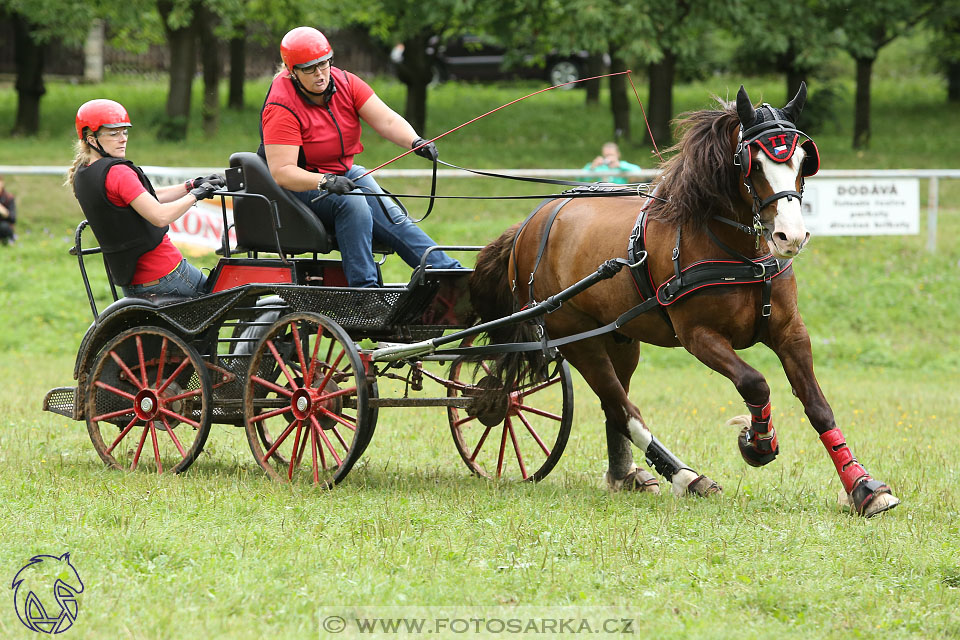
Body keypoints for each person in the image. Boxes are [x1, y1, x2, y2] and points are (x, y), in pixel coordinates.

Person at [260, 26, 462, 288]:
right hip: (299, 186)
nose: (320, 74)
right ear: (292, 71)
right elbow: (282, 171)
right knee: (352, 202)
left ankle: (450, 274)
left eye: (323, 64)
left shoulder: (346, 83)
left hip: (341, 173)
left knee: (392, 215)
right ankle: (364, 292)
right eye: (309, 68)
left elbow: (387, 120)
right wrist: (324, 182)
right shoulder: (281, 106)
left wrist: (415, 142)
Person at [67, 99, 224, 299]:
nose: (123, 138)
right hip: (167, 274)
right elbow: (160, 216)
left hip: (134, 283)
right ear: (91, 139)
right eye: (114, 133)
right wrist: (197, 195)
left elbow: (144, 198)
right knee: (226, 296)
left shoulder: (83, 174)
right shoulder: (118, 173)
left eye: (124, 132)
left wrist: (191, 185)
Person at [0, 175, 16, 245]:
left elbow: (13, 219)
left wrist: (4, 211)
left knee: (4, 226)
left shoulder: (8, 197)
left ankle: (8, 241)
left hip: (4, 227)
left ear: (2, 183)